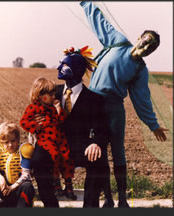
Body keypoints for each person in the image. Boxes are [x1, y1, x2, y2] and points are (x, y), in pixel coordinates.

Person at [80, 1, 168, 208]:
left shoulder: (140, 70)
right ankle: (107, 199)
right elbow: (99, 20)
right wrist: (85, 3)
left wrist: (153, 124)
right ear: (138, 38)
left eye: (151, 47)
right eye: (146, 41)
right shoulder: (118, 41)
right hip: (93, 105)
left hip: (114, 109)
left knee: (118, 152)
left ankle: (122, 199)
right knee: (97, 152)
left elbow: (142, 99)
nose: (146, 47)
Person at [55, 45, 109, 207]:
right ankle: (49, 204)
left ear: (78, 69)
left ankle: (90, 207)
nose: (60, 68)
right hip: (54, 145)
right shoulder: (52, 93)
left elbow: (104, 128)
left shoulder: (94, 99)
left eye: (65, 65)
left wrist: (96, 143)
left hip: (80, 147)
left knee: (99, 162)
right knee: (36, 158)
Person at [19, 77, 77, 206]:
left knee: (66, 156)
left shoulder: (53, 108)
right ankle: (56, 184)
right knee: (54, 156)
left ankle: (68, 185)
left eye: (53, 94)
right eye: (49, 94)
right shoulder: (33, 108)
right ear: (39, 95)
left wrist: (58, 109)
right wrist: (36, 126)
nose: (53, 97)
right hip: (47, 140)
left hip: (60, 138)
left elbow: (62, 120)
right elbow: (24, 122)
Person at [0, 122, 35, 208]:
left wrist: (12, 187)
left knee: (27, 186)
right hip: (1, 187)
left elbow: (26, 174)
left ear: (18, 139)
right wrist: (1, 179)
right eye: (6, 142)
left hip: (17, 187)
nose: (10, 145)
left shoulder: (23, 151)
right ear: (1, 141)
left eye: (13, 141)